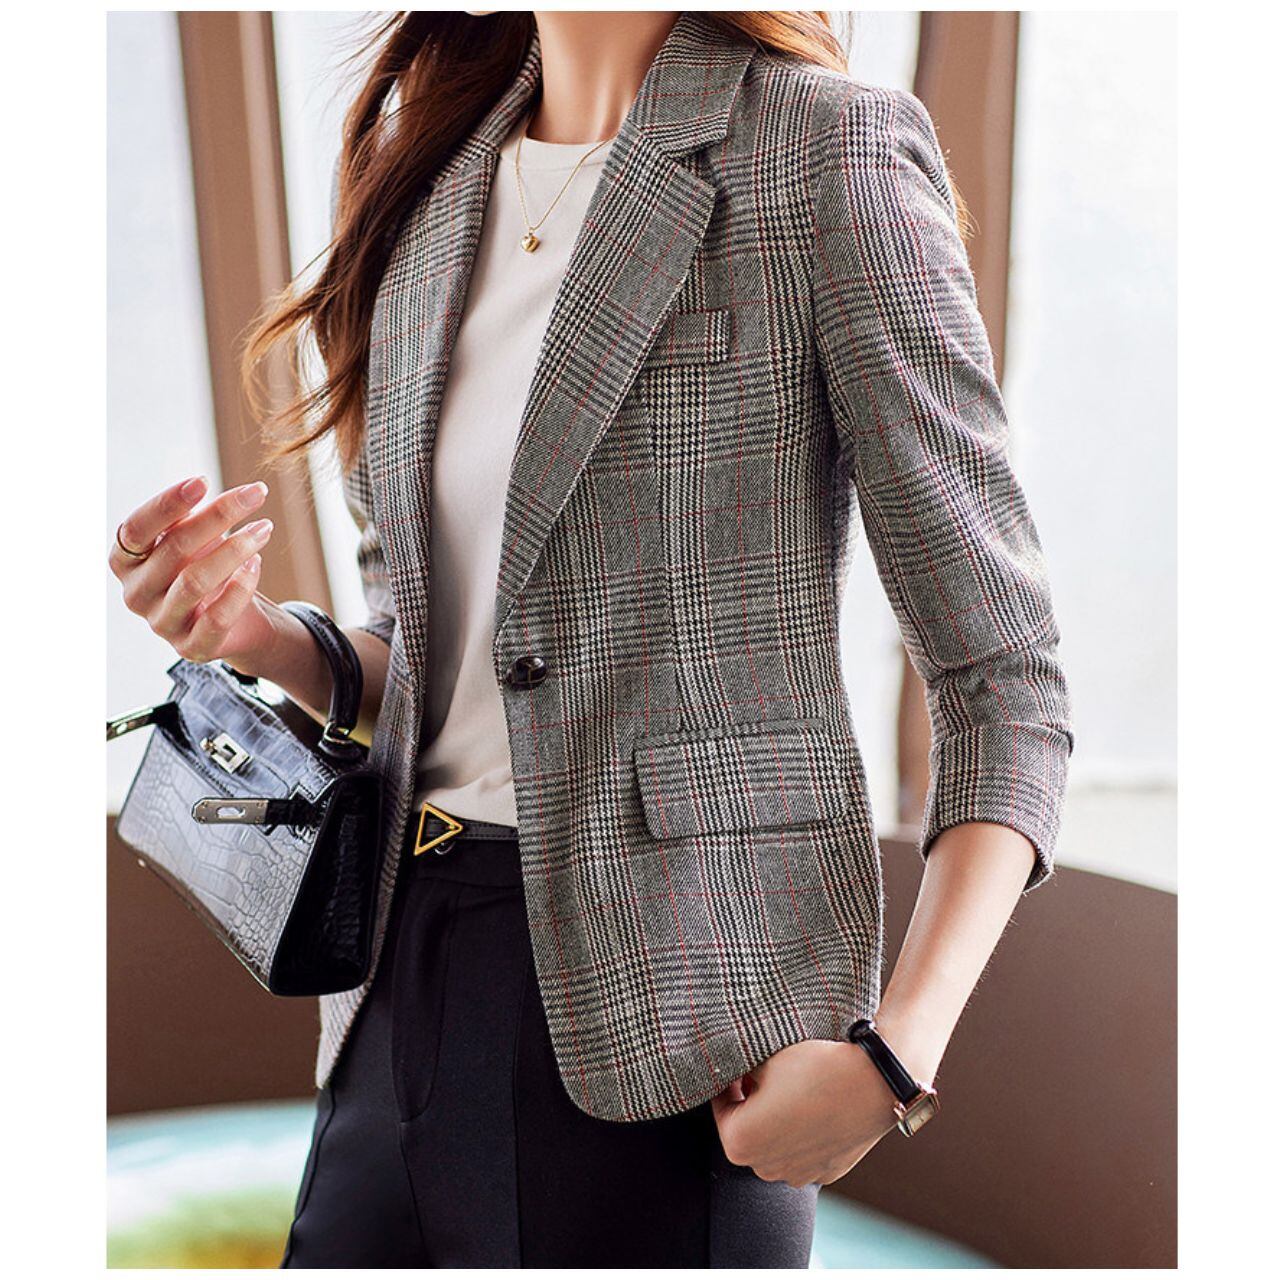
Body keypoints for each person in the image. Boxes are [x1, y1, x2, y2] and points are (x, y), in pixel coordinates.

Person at [109, 10, 1073, 1268]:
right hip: (399, 978)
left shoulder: (825, 153)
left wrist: (897, 1055)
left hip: (685, 1032)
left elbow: (1004, 682)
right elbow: (444, 655)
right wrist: (254, 634)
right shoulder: (429, 181)